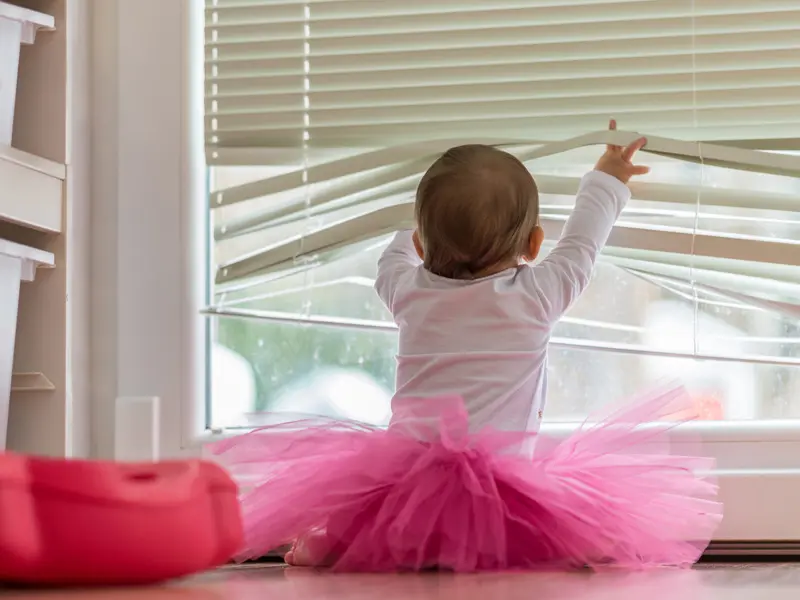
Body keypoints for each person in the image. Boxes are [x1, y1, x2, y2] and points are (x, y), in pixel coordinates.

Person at [208, 120, 722, 572]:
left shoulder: (408, 293)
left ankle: (329, 549)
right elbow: (583, 243)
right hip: (504, 489)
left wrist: (407, 226)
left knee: (370, 526)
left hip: (403, 477)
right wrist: (607, 177)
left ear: (421, 244)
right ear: (534, 244)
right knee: (559, 532)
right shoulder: (537, 295)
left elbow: (393, 253)